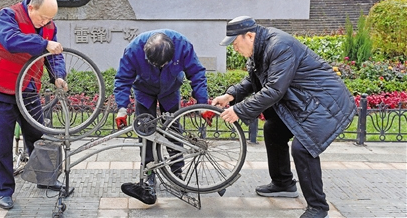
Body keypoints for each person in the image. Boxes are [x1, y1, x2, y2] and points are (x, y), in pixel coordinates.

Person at [212, 16, 356, 218]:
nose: (234, 48)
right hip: (305, 103)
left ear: (250, 36)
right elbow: (254, 79)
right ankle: (283, 183)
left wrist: (239, 110)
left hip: (324, 102)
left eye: (235, 43)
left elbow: (274, 89)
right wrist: (231, 94)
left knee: (303, 148)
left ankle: (318, 208)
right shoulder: (261, 48)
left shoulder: (280, 46)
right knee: (273, 130)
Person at [0, 0, 67, 210]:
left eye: (49, 19)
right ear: (31, 8)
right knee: (2, 143)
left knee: (37, 136)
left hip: (29, 90)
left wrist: (58, 75)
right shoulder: (8, 15)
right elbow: (10, 41)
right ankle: (4, 191)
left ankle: (45, 179)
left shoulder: (49, 26)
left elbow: (54, 54)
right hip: (2, 90)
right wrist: (43, 43)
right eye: (42, 18)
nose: (45, 23)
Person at [114, 30, 209, 205]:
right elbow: (123, 79)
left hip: (170, 90)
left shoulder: (182, 45)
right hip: (144, 91)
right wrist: (121, 108)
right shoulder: (134, 49)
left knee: (173, 131)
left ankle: (177, 172)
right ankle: (149, 174)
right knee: (146, 132)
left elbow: (196, 74)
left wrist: (203, 104)